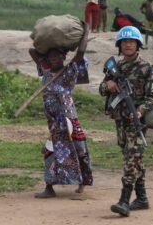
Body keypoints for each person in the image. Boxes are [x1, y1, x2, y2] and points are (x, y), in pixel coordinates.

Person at [99, 26, 153, 217]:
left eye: (131, 42)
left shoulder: (147, 68)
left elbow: (151, 98)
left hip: (136, 120)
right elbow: (101, 89)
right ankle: (141, 198)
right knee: (132, 156)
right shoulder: (117, 68)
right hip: (120, 120)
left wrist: (140, 111)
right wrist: (109, 85)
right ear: (119, 45)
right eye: (124, 42)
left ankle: (124, 201)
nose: (128, 45)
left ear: (138, 44)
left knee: (132, 157)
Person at [29, 27, 93, 198]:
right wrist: (46, 45)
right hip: (54, 124)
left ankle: (83, 182)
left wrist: (85, 34)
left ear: (63, 57)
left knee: (79, 150)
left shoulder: (69, 72)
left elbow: (80, 55)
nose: (54, 59)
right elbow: (32, 51)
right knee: (49, 152)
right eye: (51, 57)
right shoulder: (46, 72)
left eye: (57, 56)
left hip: (69, 120)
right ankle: (49, 187)